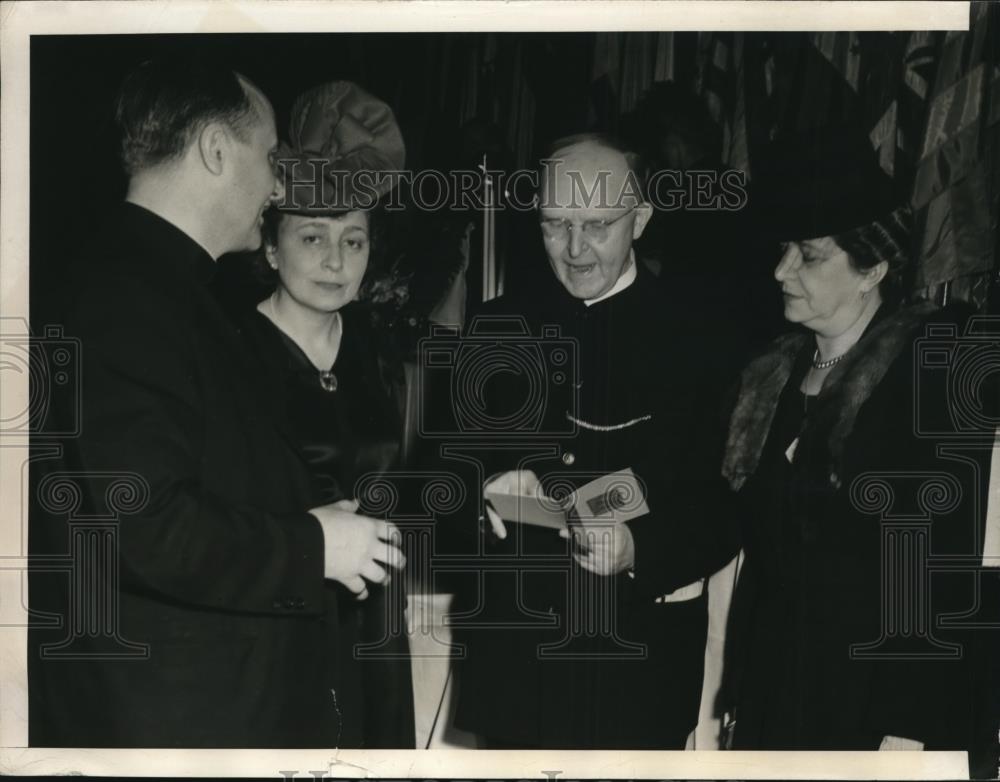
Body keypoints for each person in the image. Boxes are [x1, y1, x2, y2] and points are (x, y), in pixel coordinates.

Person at [28, 57, 405, 747]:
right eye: (269, 157)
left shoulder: (159, 288)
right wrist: (313, 545)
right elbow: (145, 524)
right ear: (214, 150)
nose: (277, 182)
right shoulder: (127, 295)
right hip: (167, 715)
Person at [449, 133, 739, 749]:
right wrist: (481, 493)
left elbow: (727, 505)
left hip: (638, 669)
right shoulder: (496, 324)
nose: (575, 250)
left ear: (641, 219)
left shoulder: (704, 337)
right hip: (518, 669)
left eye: (597, 226)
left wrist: (640, 547)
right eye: (555, 225)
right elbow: (440, 483)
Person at [720, 126, 981, 751]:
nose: (782, 269)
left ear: (874, 269)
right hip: (775, 691)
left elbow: (939, 562)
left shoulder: (928, 370)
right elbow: (763, 565)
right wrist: (739, 693)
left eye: (809, 256)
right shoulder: (772, 377)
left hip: (869, 700)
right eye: (785, 249)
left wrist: (909, 724)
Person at [238, 81, 415, 748]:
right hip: (278, 615)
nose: (336, 262)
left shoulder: (378, 349)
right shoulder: (233, 351)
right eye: (313, 238)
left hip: (374, 619)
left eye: (354, 241)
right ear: (272, 247)